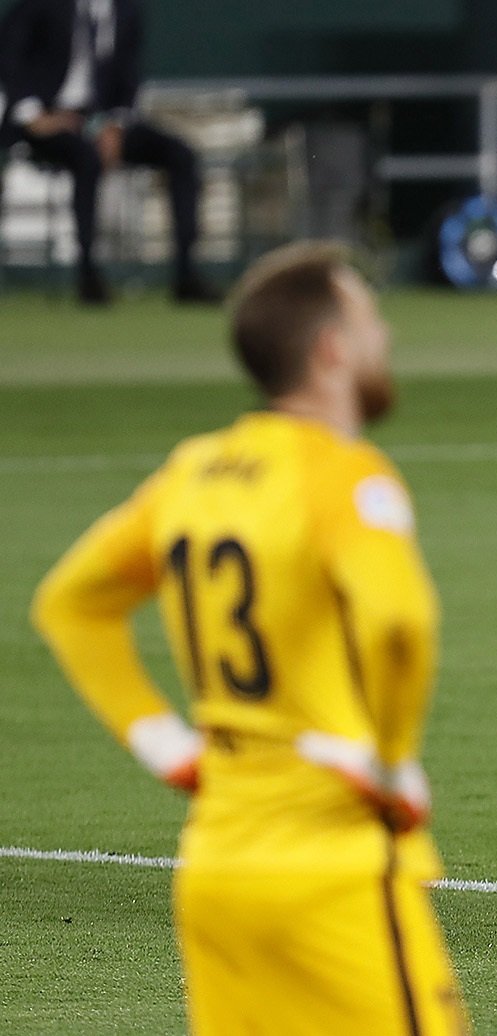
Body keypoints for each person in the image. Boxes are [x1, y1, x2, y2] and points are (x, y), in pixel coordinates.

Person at [30, 242, 468, 1032]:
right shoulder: (345, 475)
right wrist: (391, 758)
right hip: (332, 864)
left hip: (218, 862)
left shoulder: (193, 472)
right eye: (370, 321)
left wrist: (162, 742)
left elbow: (70, 604)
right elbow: (401, 623)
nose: (386, 339)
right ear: (332, 349)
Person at [0, 0, 216, 303]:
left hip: (100, 121)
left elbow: (129, 75)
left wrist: (115, 124)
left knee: (181, 155)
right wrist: (32, 114)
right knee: (85, 158)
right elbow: (10, 56)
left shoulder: (127, 10)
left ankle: (186, 273)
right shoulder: (40, 4)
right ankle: (88, 274)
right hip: (44, 120)